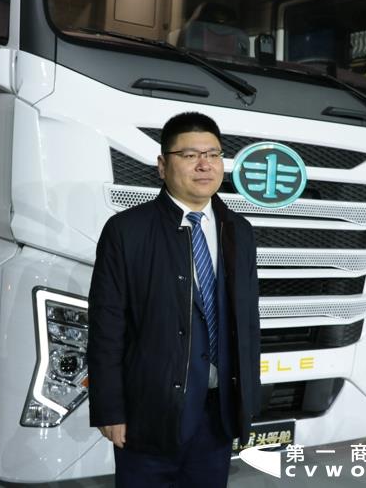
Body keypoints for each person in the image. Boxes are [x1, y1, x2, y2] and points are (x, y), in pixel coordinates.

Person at [87, 112, 261, 487]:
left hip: (216, 414)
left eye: (213, 154)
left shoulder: (239, 231)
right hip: (149, 413)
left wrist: (247, 400)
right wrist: (110, 408)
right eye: (190, 155)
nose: (204, 165)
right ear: (162, 165)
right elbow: (106, 326)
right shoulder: (126, 231)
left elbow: (248, 324)